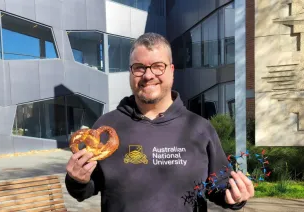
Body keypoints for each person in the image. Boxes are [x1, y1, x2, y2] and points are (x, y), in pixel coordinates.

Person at [65, 32, 254, 212]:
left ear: (171, 71)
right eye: (139, 67)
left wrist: (236, 197)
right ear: (130, 73)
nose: (148, 75)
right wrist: (76, 179)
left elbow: (219, 189)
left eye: (158, 66)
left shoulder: (199, 128)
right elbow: (84, 190)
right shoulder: (107, 127)